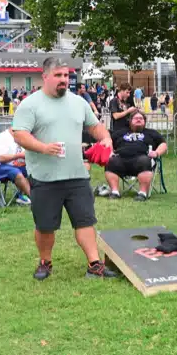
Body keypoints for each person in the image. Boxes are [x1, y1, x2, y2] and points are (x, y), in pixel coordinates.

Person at [11, 57, 115, 281]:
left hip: (77, 174)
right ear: (45, 77)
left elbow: (94, 126)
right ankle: (45, 262)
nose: (63, 80)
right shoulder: (30, 104)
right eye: (58, 76)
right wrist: (43, 147)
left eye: (66, 76)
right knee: (46, 226)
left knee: (85, 221)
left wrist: (106, 138)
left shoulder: (79, 102)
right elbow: (19, 133)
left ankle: (94, 264)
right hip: (45, 177)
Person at [104, 111, 167, 201]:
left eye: (141, 118)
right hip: (121, 160)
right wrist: (110, 151)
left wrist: (156, 153)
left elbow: (163, 144)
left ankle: (142, 193)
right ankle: (115, 192)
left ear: (144, 121)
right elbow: (108, 141)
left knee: (145, 161)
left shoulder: (152, 133)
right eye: (136, 118)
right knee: (110, 161)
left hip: (141, 160)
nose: (138, 120)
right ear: (130, 121)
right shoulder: (120, 132)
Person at [0, 128, 31, 205]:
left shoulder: (20, 137)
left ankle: (22, 196)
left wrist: (22, 161)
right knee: (16, 172)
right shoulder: (2, 137)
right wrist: (19, 156)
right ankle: (34, 198)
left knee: (33, 169)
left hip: (13, 165)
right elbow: (0, 158)